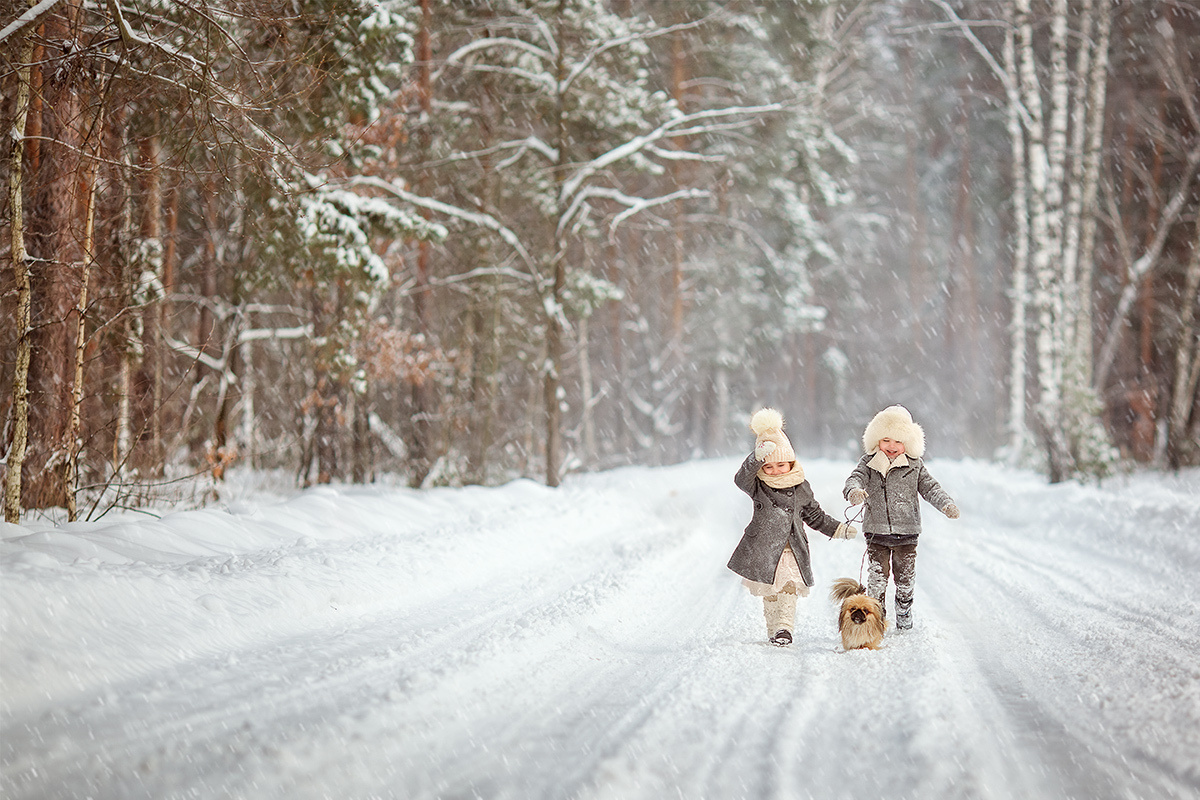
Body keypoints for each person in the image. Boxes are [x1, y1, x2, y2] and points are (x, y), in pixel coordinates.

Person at [728, 407, 858, 646]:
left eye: (781, 465)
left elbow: (815, 515)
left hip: (792, 549)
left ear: (791, 462)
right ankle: (773, 629)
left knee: (788, 590)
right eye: (768, 467)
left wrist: (838, 528)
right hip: (765, 549)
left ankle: (784, 628)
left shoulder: (801, 487)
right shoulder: (758, 486)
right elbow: (740, 479)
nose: (775, 470)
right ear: (761, 469)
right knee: (771, 594)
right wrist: (755, 457)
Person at [842, 405, 959, 631]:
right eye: (886, 440)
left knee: (904, 578)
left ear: (909, 442)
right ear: (876, 440)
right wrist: (854, 492)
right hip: (876, 533)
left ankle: (904, 608)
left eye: (898, 441)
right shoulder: (868, 463)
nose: (892, 446)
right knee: (877, 579)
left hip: (907, 533)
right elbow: (853, 479)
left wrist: (946, 504)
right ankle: (878, 617)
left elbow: (930, 488)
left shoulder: (915, 466)